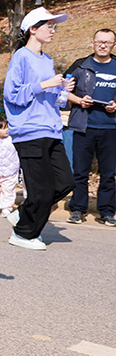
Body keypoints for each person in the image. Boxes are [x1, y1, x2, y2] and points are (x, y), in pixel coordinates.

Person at [3, 6, 75, 250]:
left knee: (66, 182)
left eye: (54, 26)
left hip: (52, 130)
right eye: (49, 25)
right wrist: (44, 84)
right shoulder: (21, 57)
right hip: (29, 132)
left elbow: (54, 98)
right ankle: (23, 234)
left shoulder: (48, 60)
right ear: (32, 29)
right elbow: (12, 95)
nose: (53, 30)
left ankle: (23, 213)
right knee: (41, 189)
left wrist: (64, 90)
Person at [63, 28, 116, 227]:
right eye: (99, 41)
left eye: (107, 42)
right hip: (83, 126)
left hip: (111, 128)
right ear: (92, 43)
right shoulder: (79, 65)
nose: (103, 45)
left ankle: (107, 211)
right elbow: (61, 90)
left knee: (108, 173)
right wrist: (78, 100)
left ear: (113, 45)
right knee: (80, 171)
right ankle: (77, 209)